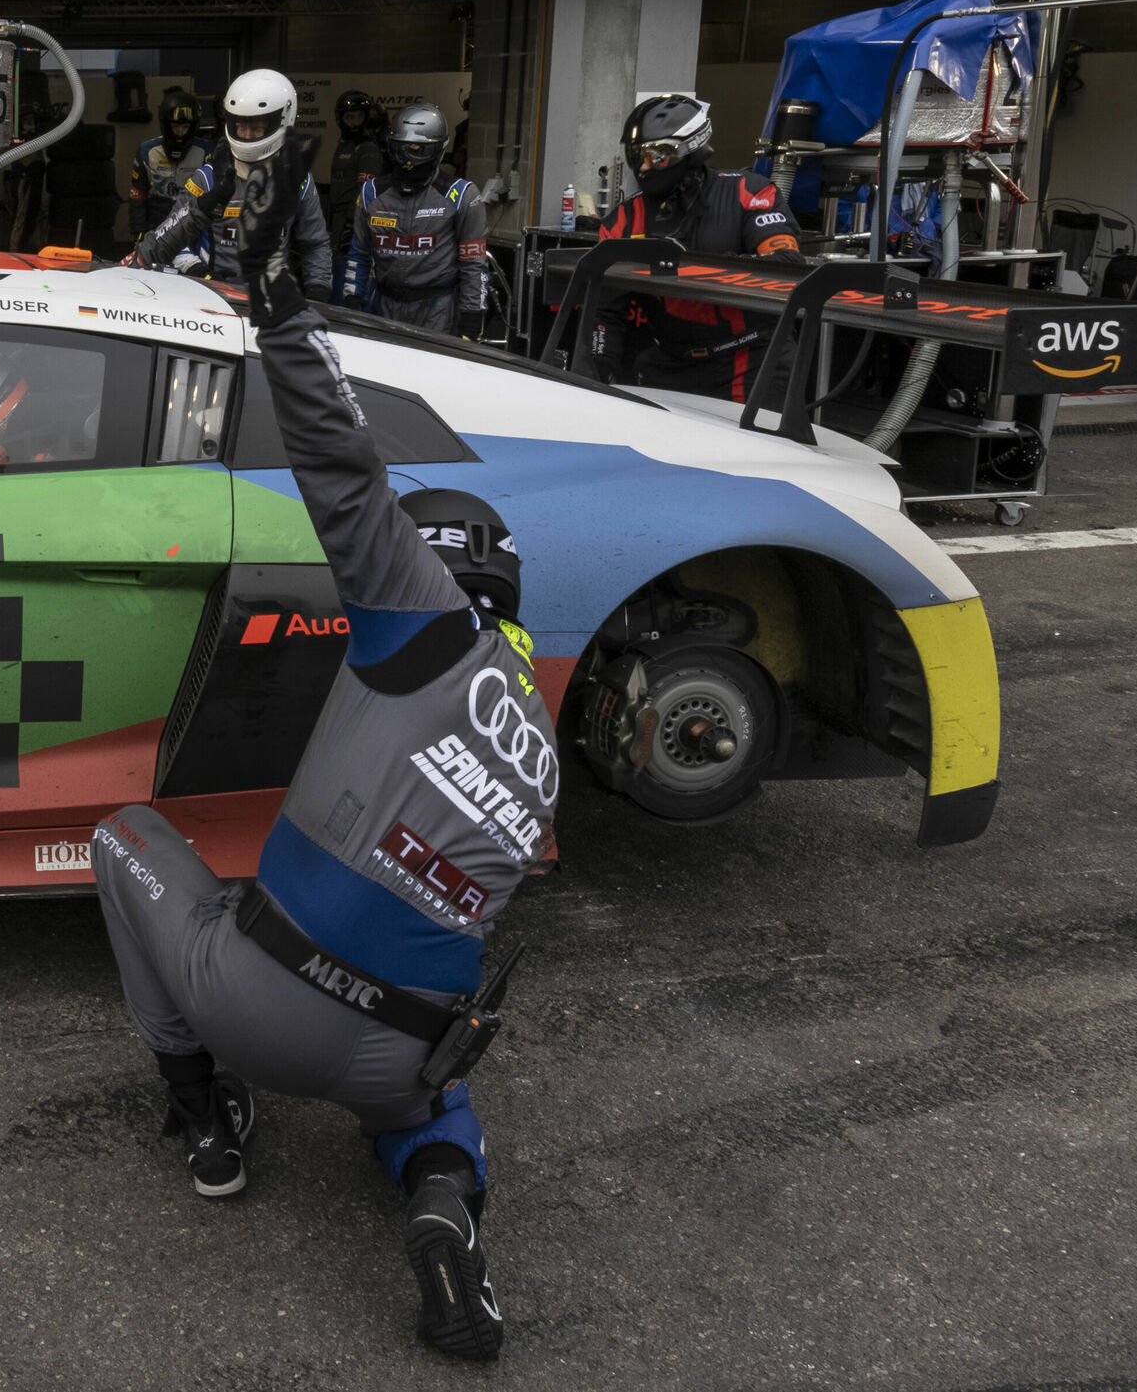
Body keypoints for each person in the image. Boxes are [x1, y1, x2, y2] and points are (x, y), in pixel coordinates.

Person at [94, 167, 550, 1362]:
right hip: (401, 1043)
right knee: (430, 1109)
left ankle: (207, 1121)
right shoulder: (542, 740)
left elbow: (343, 472)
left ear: (440, 571)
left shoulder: (420, 615)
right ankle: (447, 1228)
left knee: (123, 837)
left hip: (257, 1004)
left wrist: (283, 310)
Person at [585, 94, 803, 400]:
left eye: (656, 156)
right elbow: (605, 312)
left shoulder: (749, 192)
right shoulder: (623, 220)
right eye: (637, 155)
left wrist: (692, 267)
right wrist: (596, 373)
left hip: (749, 361)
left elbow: (786, 265)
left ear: (691, 148)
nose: (644, 167)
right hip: (669, 362)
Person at [129, 69, 332, 298]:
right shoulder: (207, 177)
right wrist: (200, 272)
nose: (246, 135)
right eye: (240, 126)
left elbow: (315, 243)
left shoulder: (300, 180)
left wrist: (318, 289)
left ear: (283, 120)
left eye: (256, 128)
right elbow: (171, 236)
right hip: (213, 296)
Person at [341, 102, 491, 338]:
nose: (409, 160)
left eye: (419, 150)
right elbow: (359, 254)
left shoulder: (461, 195)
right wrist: (352, 300)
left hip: (438, 311)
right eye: (402, 150)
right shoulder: (371, 193)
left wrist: (472, 320)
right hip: (384, 308)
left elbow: (473, 263)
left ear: (439, 150)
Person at [325, 89, 387, 297]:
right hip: (337, 222)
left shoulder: (367, 149)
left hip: (351, 228)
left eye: (360, 117)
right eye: (350, 117)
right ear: (340, 118)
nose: (355, 122)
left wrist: (351, 229)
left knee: (346, 284)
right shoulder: (344, 144)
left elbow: (365, 195)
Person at [127, 91, 207, 240]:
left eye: (185, 127)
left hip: (192, 224)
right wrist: (138, 233)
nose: (180, 133)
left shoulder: (207, 151)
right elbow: (138, 194)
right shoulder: (147, 151)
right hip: (156, 223)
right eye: (175, 126)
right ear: (166, 125)